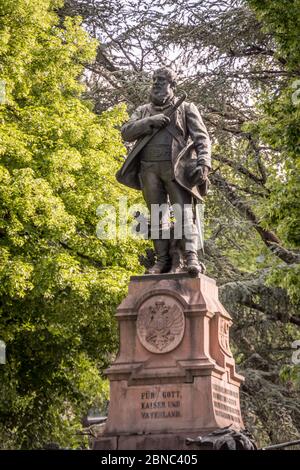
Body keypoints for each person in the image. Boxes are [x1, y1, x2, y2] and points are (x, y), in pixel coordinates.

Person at [116, 67, 211, 276]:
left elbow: (202, 138)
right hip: (149, 169)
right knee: (158, 216)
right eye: (155, 80)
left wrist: (204, 163)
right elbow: (126, 132)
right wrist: (150, 121)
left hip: (177, 169)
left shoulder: (186, 108)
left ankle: (191, 257)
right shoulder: (143, 111)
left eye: (162, 80)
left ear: (172, 85)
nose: (157, 84)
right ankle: (161, 261)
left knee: (184, 214)